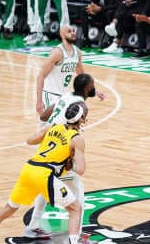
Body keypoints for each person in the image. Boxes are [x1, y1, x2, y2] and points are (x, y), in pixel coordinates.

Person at [0, 102, 88, 244]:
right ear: (81, 119)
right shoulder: (77, 139)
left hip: (28, 169)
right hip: (44, 174)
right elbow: (80, 170)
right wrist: (70, 161)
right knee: (75, 209)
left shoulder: (52, 126)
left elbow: (30, 141)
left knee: (8, 209)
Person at [26, 73, 99, 239]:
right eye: (93, 85)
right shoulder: (80, 106)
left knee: (46, 184)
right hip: (58, 149)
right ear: (87, 88)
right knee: (77, 189)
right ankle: (77, 236)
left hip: (45, 144)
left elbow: (44, 116)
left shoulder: (67, 96)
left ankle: (33, 226)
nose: (94, 87)